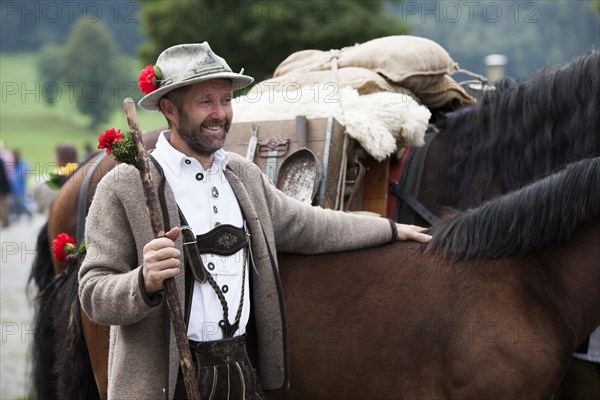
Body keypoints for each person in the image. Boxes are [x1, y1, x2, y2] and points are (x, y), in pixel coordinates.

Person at [78, 42, 431, 399]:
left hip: (241, 377)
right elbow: (92, 293)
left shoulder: (243, 176)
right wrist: (144, 281)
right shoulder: (127, 186)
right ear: (169, 109)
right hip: (164, 388)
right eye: (206, 102)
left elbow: (311, 226)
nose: (220, 113)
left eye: (226, 100)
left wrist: (389, 229)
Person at [8, 149, 33, 221]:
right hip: (12, 188)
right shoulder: (11, 164)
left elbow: (26, 171)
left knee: (21, 203)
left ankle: (29, 213)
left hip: (20, 188)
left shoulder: (22, 163)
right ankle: (17, 216)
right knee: (15, 203)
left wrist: (22, 174)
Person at [0, 155, 11, 227]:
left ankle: (5, 222)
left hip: (2, 189)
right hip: (4, 188)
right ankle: (5, 221)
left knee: (2, 206)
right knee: (3, 206)